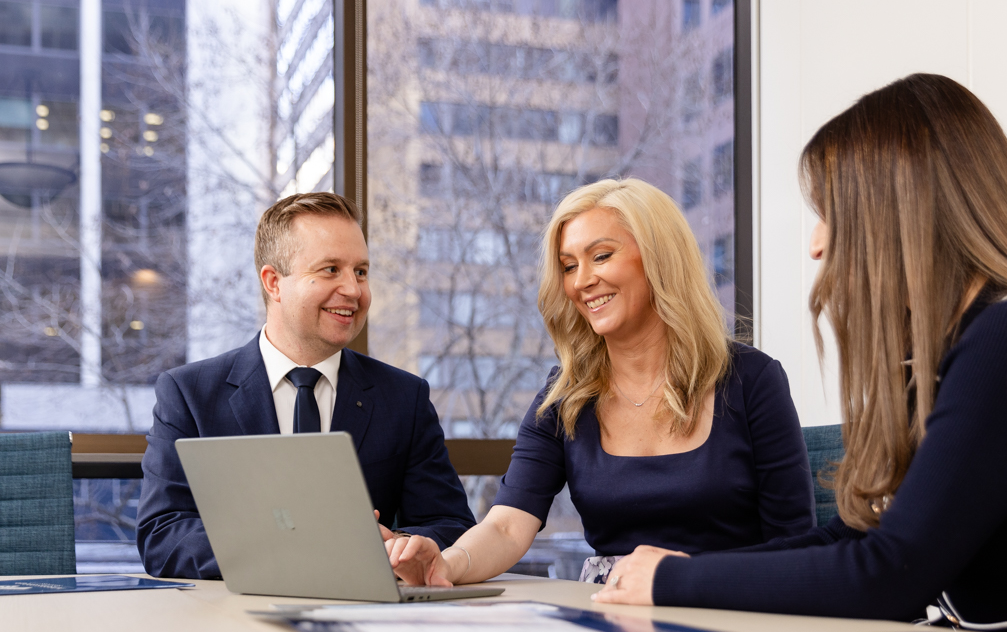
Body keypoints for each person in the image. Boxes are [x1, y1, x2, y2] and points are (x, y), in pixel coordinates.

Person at [594, 74, 1007, 632]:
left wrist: (672, 584)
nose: (815, 244)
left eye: (830, 211)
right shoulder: (952, 351)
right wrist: (683, 570)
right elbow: (858, 536)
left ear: (899, 211)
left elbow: (889, 574)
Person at [387, 178, 816, 586]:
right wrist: (446, 563)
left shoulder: (752, 380)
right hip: (611, 613)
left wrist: (690, 581)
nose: (581, 281)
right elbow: (505, 526)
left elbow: (794, 545)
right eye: (569, 266)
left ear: (659, 258)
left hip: (730, 608)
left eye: (602, 256)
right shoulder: (566, 396)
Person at [137, 192, 475, 579]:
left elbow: (450, 525)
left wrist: (402, 547)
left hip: (363, 621)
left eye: (361, 271)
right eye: (331, 269)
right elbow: (162, 536)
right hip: (234, 625)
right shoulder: (190, 394)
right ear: (273, 282)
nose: (354, 290)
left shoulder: (404, 398)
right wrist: (301, 546)